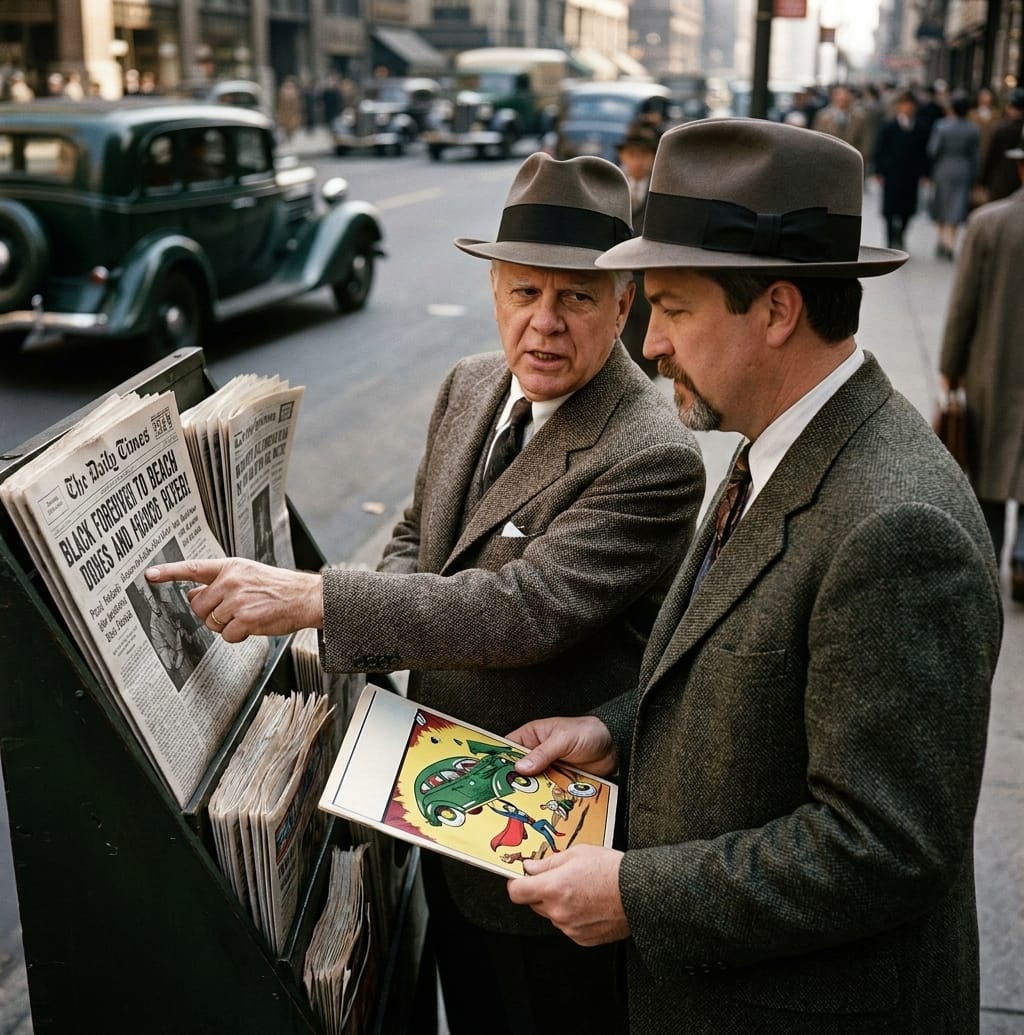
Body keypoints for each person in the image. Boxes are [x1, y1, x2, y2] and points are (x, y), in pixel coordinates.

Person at [146, 152, 705, 1034]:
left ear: (625, 305)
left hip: (545, 854)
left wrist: (317, 600)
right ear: (493, 290)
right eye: (525, 293)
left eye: (577, 298)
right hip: (434, 816)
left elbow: (523, 607)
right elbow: (416, 541)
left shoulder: (651, 452)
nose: (545, 324)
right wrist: (373, 616)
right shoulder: (470, 385)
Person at [501, 117, 1003, 1034]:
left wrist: (636, 894)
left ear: (777, 309)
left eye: (675, 309)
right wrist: (613, 731)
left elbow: (882, 846)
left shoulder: (898, 526)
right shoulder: (777, 442)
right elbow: (744, 679)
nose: (648, 345)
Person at [940, 126, 1024, 602]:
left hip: (994, 365)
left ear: (1018, 167)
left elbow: (964, 303)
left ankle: (989, 560)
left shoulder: (988, 224)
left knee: (989, 467)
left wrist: (950, 364)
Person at [615, 120, 661, 377]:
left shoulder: (659, 188)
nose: (636, 162)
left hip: (645, 276)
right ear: (622, 156)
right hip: (619, 273)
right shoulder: (614, 185)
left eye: (643, 155)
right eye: (631, 155)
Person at [873, 89, 932, 249]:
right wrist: (878, 171)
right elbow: (880, 149)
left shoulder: (921, 127)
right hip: (891, 173)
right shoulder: (889, 125)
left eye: (909, 104)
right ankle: (890, 238)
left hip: (911, 174)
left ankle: (902, 234)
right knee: (890, 209)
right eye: (903, 104)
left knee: (908, 209)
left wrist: (926, 173)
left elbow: (925, 152)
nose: (906, 108)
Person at [928, 91, 980, 259]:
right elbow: (975, 156)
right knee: (957, 205)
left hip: (944, 168)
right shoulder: (973, 129)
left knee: (941, 204)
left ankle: (942, 239)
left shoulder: (941, 126)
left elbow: (933, 150)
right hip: (963, 169)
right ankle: (951, 242)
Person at [977, 86, 1024, 202]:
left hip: (1001, 179)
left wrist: (983, 182)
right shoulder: (1003, 128)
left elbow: (991, 157)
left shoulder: (1001, 129)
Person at [811, 84, 872, 171]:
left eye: (845, 96)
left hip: (852, 163)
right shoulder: (823, 116)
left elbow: (866, 142)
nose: (842, 99)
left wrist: (860, 160)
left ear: (850, 97)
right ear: (833, 97)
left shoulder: (860, 117)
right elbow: (816, 139)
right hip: (828, 161)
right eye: (839, 96)